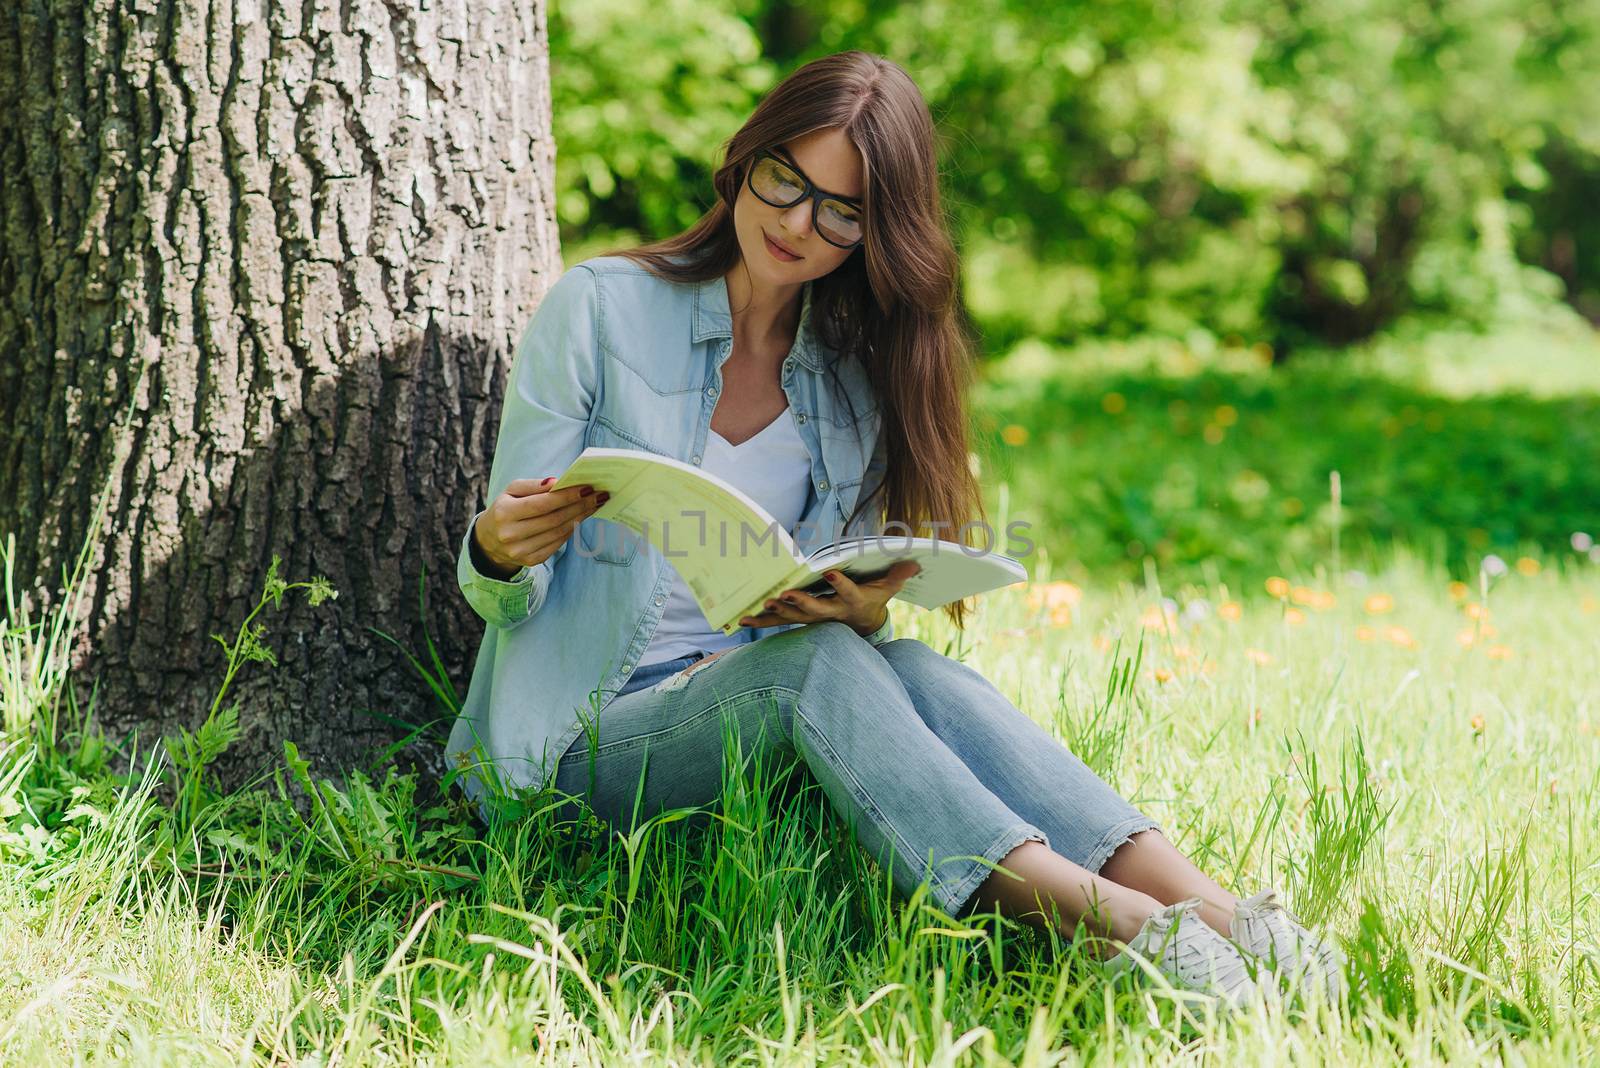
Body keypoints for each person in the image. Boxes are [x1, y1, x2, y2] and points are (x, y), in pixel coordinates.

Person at [447, 50, 1345, 1011]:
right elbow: (505, 593)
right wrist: (498, 547)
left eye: (841, 210)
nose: (797, 223)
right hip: (574, 742)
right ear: (745, 158)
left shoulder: (847, 374)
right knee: (814, 669)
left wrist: (859, 609)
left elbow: (812, 597)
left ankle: (1232, 920)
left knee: (919, 671)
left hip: (748, 705)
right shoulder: (601, 309)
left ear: (874, 234)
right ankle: (1129, 928)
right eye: (786, 180)